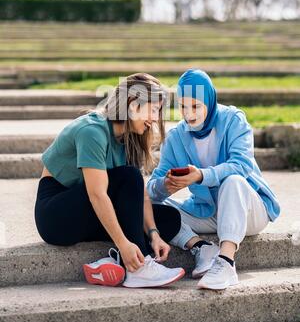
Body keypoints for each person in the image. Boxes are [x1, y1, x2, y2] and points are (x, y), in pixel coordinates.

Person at [35, 73, 185, 288]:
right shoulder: (92, 131)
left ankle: (113, 261)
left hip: (87, 213)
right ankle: (138, 268)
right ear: (133, 105)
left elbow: (140, 196)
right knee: (128, 176)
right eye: (153, 110)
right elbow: (97, 194)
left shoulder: (127, 138)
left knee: (169, 219)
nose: (154, 118)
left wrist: (153, 234)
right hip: (56, 216)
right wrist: (124, 243)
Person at [147, 69, 280, 290]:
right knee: (146, 205)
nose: (188, 114)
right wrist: (165, 185)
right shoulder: (176, 136)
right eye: (182, 106)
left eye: (196, 106)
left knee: (233, 181)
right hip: (207, 213)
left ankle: (226, 262)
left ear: (209, 100)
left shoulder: (233, 120)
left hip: (250, 212)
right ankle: (202, 248)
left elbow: (242, 165)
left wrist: (201, 175)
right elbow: (153, 185)